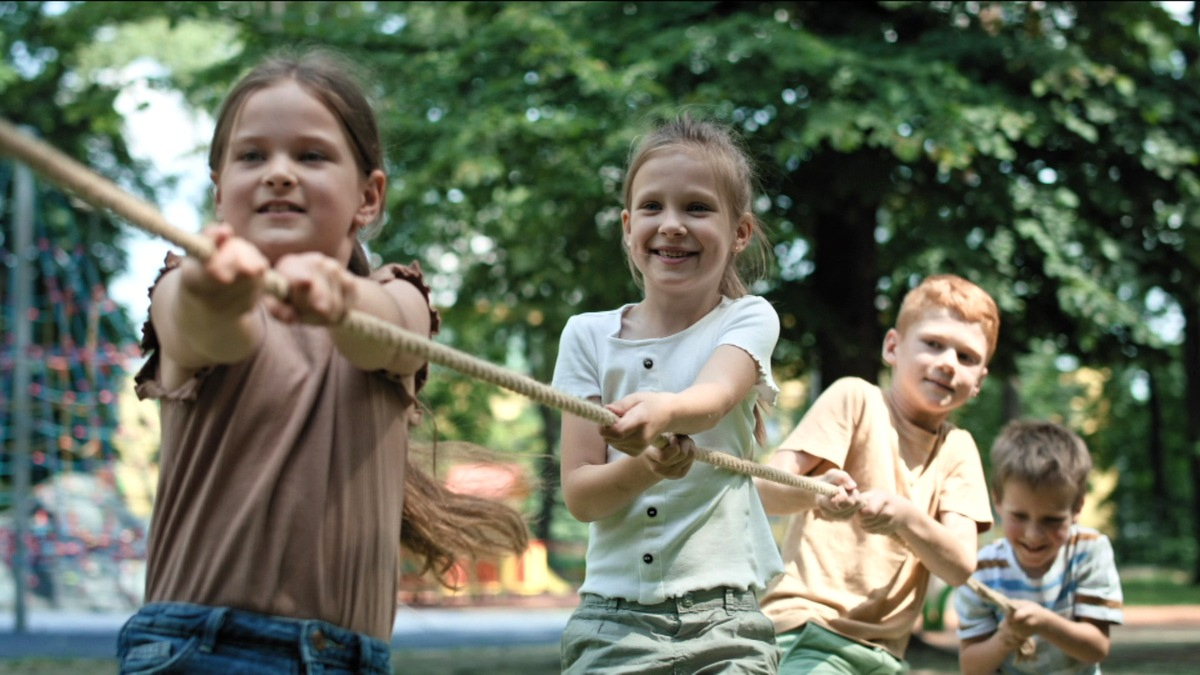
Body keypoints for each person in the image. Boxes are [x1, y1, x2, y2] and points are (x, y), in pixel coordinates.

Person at [116, 49, 526, 674]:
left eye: (310, 156)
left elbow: (386, 337)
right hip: (199, 649)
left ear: (369, 196)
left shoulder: (397, 298)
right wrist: (213, 290)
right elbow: (205, 331)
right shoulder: (183, 287)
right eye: (252, 157)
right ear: (220, 192)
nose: (279, 174)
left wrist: (340, 299)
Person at [551, 115, 783, 674]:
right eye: (652, 207)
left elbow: (717, 394)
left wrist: (665, 411)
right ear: (628, 226)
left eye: (697, 208)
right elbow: (581, 496)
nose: (672, 225)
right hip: (613, 622)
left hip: (726, 621)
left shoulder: (750, 318)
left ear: (740, 233)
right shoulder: (586, 336)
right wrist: (647, 469)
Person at [755, 273, 1000, 674]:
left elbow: (959, 565)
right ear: (893, 346)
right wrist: (815, 493)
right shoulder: (854, 398)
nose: (948, 363)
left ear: (978, 382)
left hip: (885, 655)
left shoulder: (958, 450)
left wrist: (905, 517)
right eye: (933, 343)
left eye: (967, 357)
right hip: (809, 629)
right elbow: (763, 491)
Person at [956, 419, 1124, 674]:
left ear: (1077, 507)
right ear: (997, 501)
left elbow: (1097, 648)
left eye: (1052, 520)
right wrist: (1007, 636)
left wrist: (1045, 623)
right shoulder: (982, 569)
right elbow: (971, 667)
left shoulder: (1089, 551)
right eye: (1019, 516)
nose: (1033, 535)